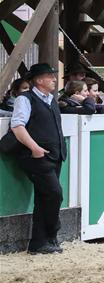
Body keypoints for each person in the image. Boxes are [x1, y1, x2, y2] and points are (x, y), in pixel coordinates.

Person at [9, 63, 66, 254]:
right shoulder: (25, 99)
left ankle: (40, 242)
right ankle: (51, 233)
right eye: (50, 76)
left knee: (44, 197)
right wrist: (34, 147)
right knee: (54, 193)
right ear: (39, 80)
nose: (54, 79)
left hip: (54, 155)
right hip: (36, 156)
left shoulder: (51, 99)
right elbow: (17, 126)